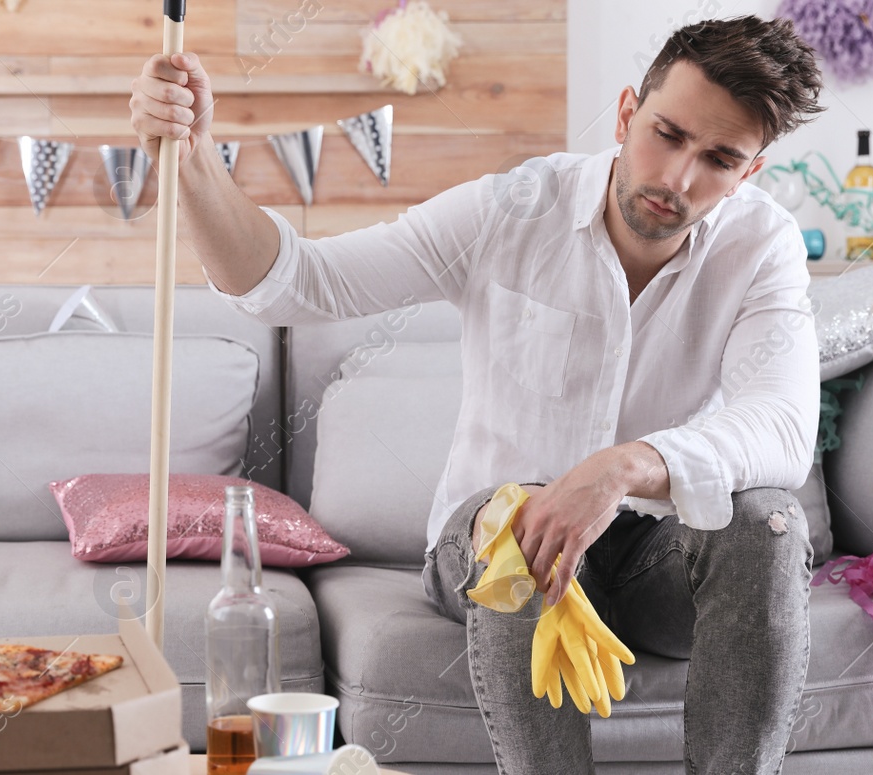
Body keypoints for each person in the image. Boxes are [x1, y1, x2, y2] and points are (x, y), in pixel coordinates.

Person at [131, 14, 825, 774]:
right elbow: (294, 281)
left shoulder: (762, 243)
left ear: (749, 173)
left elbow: (784, 428)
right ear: (627, 114)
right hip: (496, 545)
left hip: (651, 561)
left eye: (720, 159)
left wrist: (623, 466)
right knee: (516, 515)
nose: (678, 178)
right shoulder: (514, 207)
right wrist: (194, 159)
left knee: (770, 520)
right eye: (667, 134)